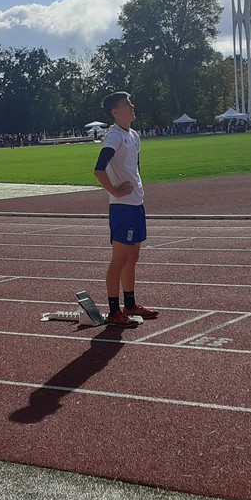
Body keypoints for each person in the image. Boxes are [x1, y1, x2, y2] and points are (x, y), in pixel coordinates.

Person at [93, 91, 159, 328]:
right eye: (126, 104)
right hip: (122, 208)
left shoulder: (133, 135)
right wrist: (115, 190)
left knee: (133, 257)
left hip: (136, 204)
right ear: (115, 112)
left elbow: (135, 168)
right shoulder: (114, 136)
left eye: (130, 103)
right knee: (120, 259)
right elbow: (99, 169)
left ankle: (130, 305)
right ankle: (114, 311)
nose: (132, 106)